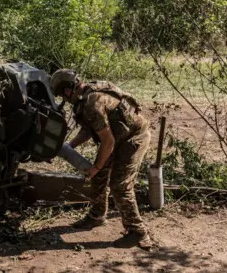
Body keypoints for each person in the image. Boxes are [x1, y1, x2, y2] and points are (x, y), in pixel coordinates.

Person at [50, 69, 154, 250]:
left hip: (133, 137)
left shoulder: (92, 103)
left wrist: (96, 167)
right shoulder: (85, 96)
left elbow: (108, 141)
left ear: (67, 90)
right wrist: (69, 147)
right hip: (118, 137)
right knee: (99, 176)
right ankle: (97, 215)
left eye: (62, 96)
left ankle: (137, 232)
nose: (64, 100)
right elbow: (89, 130)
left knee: (119, 184)